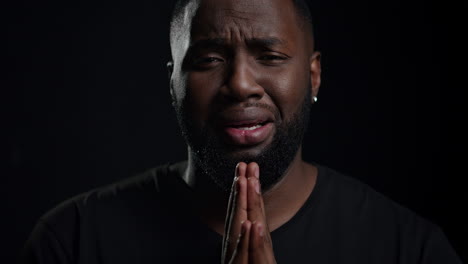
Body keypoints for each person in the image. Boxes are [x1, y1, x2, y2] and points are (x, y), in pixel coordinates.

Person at [21, 0, 462, 263]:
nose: (240, 84)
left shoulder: (409, 250)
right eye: (209, 59)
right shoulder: (74, 242)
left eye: (269, 55)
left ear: (314, 77)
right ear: (172, 83)